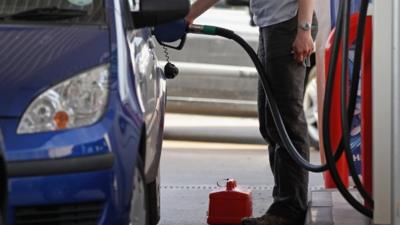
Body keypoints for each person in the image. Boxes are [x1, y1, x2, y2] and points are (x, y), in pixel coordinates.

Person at [186, 1, 316, 225]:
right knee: (270, 123)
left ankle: (288, 210)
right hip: (272, 26)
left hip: (288, 24)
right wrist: (188, 17)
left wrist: (303, 29)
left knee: (285, 122)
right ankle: (285, 205)